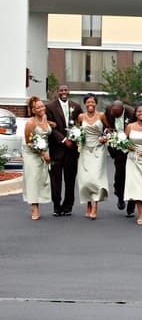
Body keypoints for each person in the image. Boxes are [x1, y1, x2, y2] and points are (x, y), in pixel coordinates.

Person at [45, 84, 83, 217]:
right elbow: (50, 127)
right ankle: (56, 205)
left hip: (72, 150)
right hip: (57, 149)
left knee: (70, 179)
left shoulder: (76, 106)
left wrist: (77, 138)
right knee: (56, 179)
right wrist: (63, 140)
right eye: (61, 90)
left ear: (69, 91)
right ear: (57, 92)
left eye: (65, 90)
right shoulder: (49, 107)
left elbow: (81, 124)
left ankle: (68, 206)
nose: (63, 92)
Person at [76, 93, 110, 220]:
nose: (90, 104)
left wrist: (104, 138)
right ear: (85, 104)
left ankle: (95, 205)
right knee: (85, 179)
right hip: (85, 150)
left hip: (98, 149)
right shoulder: (80, 117)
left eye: (93, 102)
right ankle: (88, 203)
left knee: (95, 178)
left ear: (96, 103)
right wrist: (78, 140)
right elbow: (78, 131)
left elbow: (109, 130)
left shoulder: (101, 116)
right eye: (88, 102)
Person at [22, 96, 53, 220]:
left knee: (41, 179)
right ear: (33, 110)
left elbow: (46, 130)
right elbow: (29, 142)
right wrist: (43, 154)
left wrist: (53, 125)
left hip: (44, 149)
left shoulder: (45, 117)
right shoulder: (30, 123)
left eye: (42, 106)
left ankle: (36, 202)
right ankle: (34, 207)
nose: (42, 108)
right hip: (31, 152)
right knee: (33, 179)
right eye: (38, 107)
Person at [104, 99, 135, 216]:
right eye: (113, 113)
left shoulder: (132, 113)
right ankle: (120, 196)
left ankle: (131, 206)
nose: (114, 115)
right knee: (119, 176)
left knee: (132, 176)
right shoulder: (109, 111)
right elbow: (106, 126)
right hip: (117, 149)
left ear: (122, 110)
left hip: (130, 148)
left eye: (117, 114)